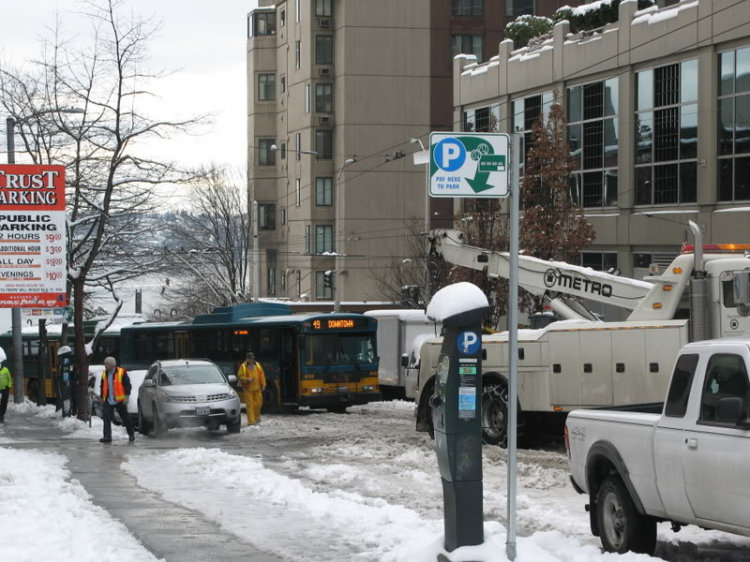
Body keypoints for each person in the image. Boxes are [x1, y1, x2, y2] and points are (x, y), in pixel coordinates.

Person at [99, 356, 135, 443]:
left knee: (125, 417)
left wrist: (126, 396)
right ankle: (107, 437)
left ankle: (131, 434)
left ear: (112, 365)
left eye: (106, 364)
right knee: (106, 418)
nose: (105, 365)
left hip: (120, 400)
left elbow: (127, 385)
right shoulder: (105, 373)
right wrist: (102, 397)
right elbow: (102, 386)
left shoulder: (121, 372)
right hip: (108, 399)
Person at [237, 352, 266, 426]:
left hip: (257, 388)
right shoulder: (243, 366)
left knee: (258, 403)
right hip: (248, 389)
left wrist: (263, 385)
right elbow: (239, 377)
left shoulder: (258, 365)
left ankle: (257, 418)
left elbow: (261, 375)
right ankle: (251, 422)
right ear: (247, 359)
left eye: (253, 358)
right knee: (250, 406)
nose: (252, 360)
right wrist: (247, 379)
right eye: (251, 358)